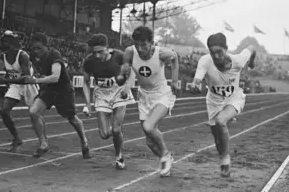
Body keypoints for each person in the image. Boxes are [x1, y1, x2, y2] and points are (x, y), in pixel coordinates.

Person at [188, 32, 256, 177]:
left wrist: (252, 62)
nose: (217, 56)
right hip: (214, 101)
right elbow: (197, 78)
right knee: (217, 139)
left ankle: (226, 158)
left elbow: (251, 47)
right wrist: (195, 85)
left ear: (226, 49)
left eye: (219, 52)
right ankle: (222, 155)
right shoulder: (206, 61)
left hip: (234, 98)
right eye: (213, 53)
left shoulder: (238, 60)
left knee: (221, 121)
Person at [116, 26, 179, 177]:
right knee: (150, 143)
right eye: (137, 44)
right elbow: (125, 70)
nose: (140, 48)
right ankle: (167, 157)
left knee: (149, 126)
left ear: (151, 42)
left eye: (143, 44)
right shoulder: (130, 52)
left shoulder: (161, 53)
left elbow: (175, 58)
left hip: (162, 94)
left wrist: (175, 81)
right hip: (144, 96)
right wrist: (122, 80)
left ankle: (165, 153)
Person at [21, 32, 91, 159]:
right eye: (34, 48)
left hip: (63, 90)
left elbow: (55, 77)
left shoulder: (54, 55)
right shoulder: (33, 57)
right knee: (33, 112)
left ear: (46, 46)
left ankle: (84, 141)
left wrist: (36, 80)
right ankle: (43, 144)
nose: (36, 51)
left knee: (72, 119)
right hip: (48, 89)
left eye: (39, 48)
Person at [82, 33, 136, 169]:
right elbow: (86, 82)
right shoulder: (89, 61)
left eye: (100, 52)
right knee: (104, 134)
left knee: (116, 129)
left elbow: (131, 73)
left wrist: (126, 86)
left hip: (119, 91)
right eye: (94, 53)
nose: (97, 56)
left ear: (108, 48)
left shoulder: (119, 56)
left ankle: (119, 156)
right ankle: (116, 131)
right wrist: (87, 104)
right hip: (101, 94)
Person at [0, 31, 39, 152]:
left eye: (5, 41)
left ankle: (42, 141)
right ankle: (17, 138)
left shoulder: (23, 55)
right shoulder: (3, 56)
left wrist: (4, 80)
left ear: (11, 43)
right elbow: (11, 73)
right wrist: (6, 80)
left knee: (34, 114)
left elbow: (26, 78)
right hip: (15, 85)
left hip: (29, 86)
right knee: (4, 111)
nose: (3, 44)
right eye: (3, 41)